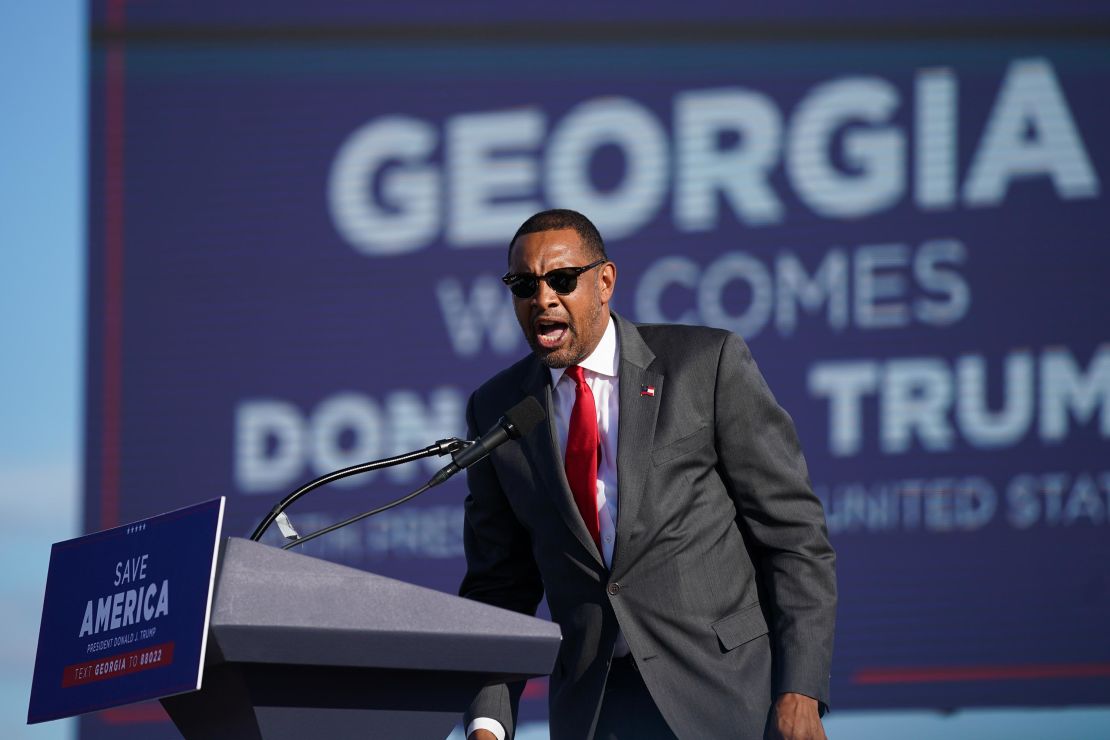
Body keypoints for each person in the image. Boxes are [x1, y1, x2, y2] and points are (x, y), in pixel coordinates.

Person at [459, 209, 836, 740]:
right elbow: (498, 584)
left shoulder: (706, 364)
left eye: (561, 280)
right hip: (593, 709)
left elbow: (794, 537)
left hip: (723, 696)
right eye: (524, 284)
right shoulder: (498, 408)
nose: (542, 298)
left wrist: (801, 689)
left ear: (605, 281)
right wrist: (487, 720)